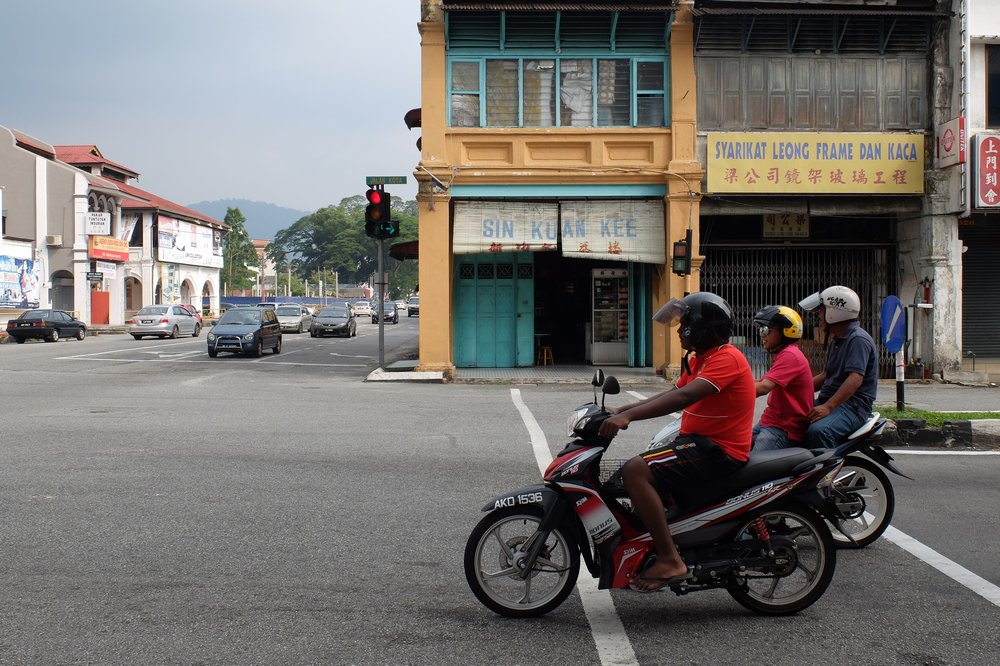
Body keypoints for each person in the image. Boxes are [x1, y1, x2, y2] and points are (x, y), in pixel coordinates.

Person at [598, 292, 755, 591]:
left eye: (685, 324)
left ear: (703, 328)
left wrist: (628, 418)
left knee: (635, 471)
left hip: (718, 451)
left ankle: (670, 559)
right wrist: (622, 410)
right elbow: (672, 393)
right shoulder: (702, 359)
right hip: (698, 442)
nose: (680, 330)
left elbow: (683, 397)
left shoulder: (727, 358)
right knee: (638, 470)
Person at [798, 285, 878, 449]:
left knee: (819, 431)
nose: (819, 316)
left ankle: (826, 465)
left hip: (853, 406)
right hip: (833, 400)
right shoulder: (838, 339)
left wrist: (828, 407)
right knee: (791, 418)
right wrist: (796, 390)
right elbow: (826, 375)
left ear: (835, 313)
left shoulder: (857, 340)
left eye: (822, 311)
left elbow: (855, 379)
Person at [751, 305, 815, 450]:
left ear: (785, 331)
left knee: (755, 463)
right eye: (761, 330)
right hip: (770, 421)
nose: (762, 335)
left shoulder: (790, 355)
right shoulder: (783, 354)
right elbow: (759, 382)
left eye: (766, 329)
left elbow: (763, 387)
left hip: (783, 428)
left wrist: (730, 394)